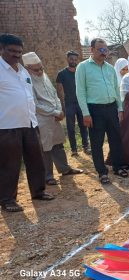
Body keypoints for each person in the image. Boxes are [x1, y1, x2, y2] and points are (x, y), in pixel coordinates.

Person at [0, 34, 54, 212]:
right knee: (10, 164)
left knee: (36, 159)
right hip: (7, 125)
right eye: (12, 51)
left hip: (30, 123)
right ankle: (7, 199)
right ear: (2, 49)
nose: (16, 55)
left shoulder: (23, 71)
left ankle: (38, 192)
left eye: (19, 52)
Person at [23, 52, 84, 185]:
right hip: (42, 119)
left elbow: (54, 94)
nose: (40, 71)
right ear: (27, 68)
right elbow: (35, 104)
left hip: (55, 116)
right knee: (46, 147)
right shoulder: (26, 81)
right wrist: (54, 112)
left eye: (41, 68)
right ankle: (48, 176)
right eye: (36, 69)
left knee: (58, 143)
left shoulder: (43, 76)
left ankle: (64, 168)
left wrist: (59, 110)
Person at [76, 38, 128, 184]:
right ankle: (102, 172)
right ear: (92, 50)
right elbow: (80, 92)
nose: (104, 53)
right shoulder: (83, 67)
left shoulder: (110, 68)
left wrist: (120, 108)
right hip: (94, 110)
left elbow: (116, 91)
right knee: (96, 142)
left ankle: (117, 167)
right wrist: (86, 113)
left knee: (116, 139)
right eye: (100, 49)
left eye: (105, 50)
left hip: (111, 107)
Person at [56, 50, 90, 157]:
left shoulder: (80, 72)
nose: (73, 61)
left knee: (83, 125)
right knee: (70, 128)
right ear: (67, 59)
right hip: (69, 104)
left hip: (81, 103)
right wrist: (62, 105)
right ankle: (74, 149)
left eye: (75, 59)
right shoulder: (61, 74)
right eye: (71, 59)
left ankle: (86, 146)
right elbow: (59, 90)